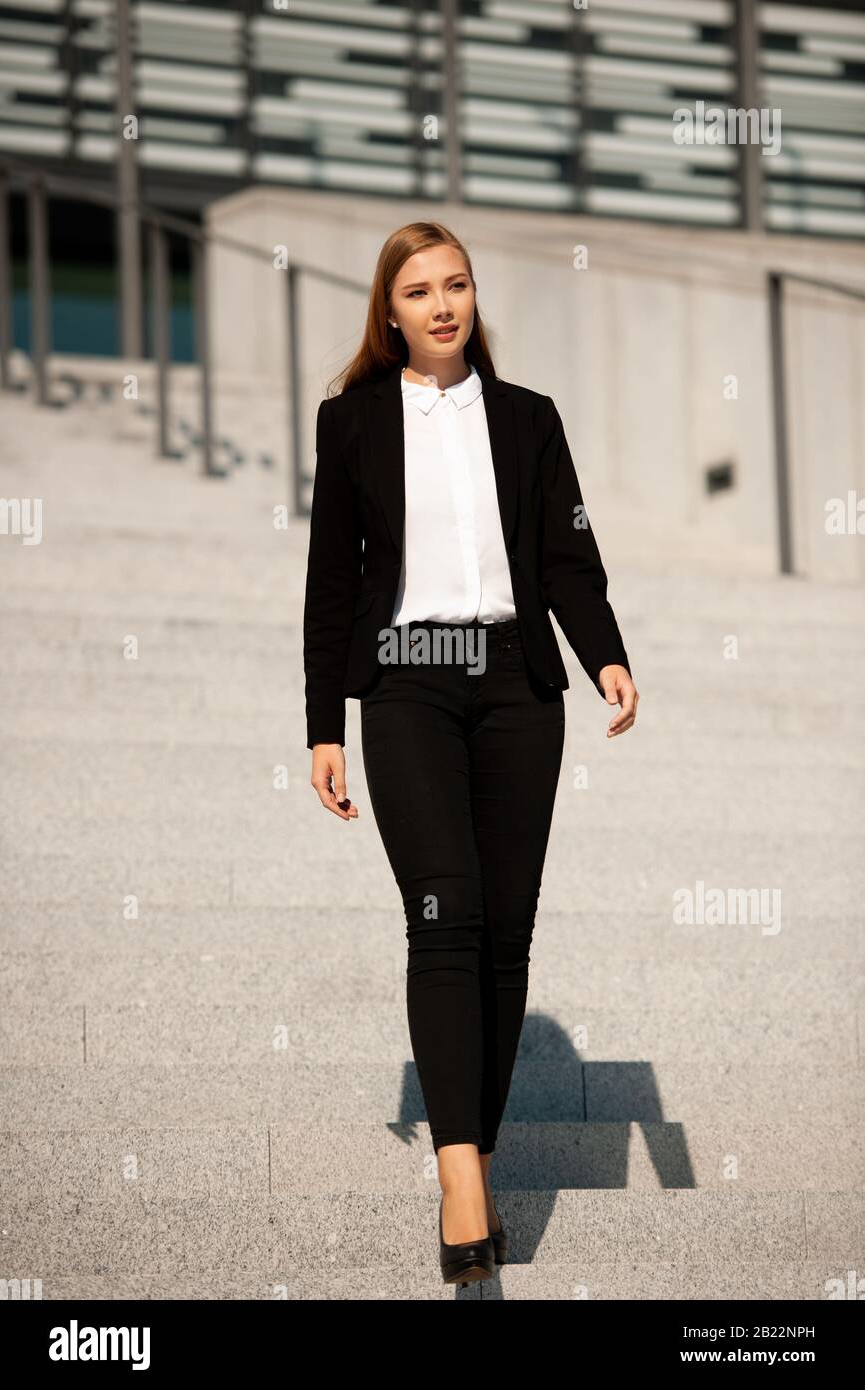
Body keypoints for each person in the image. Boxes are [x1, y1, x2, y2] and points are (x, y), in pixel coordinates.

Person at [303, 221, 638, 1285]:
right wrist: (322, 722)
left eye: (455, 284)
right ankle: (461, 1181)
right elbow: (330, 581)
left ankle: (476, 1146)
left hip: (514, 686)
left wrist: (606, 659)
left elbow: (566, 555)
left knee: (503, 930)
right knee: (442, 912)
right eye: (417, 290)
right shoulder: (351, 420)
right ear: (388, 311)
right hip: (405, 678)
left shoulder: (528, 419)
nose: (440, 304)